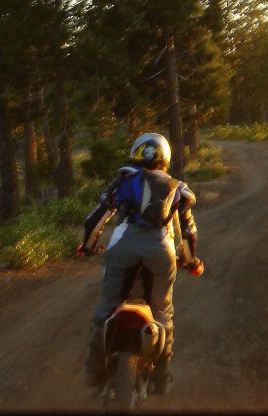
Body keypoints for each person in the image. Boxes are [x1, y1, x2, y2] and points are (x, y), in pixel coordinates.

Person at [77, 132, 201, 395]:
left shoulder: (123, 180)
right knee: (162, 314)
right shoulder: (177, 187)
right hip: (161, 251)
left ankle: (93, 372)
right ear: (165, 158)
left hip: (123, 247)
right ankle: (161, 377)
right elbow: (188, 232)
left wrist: (88, 246)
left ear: (135, 153)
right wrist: (191, 262)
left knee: (104, 311)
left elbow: (97, 217)